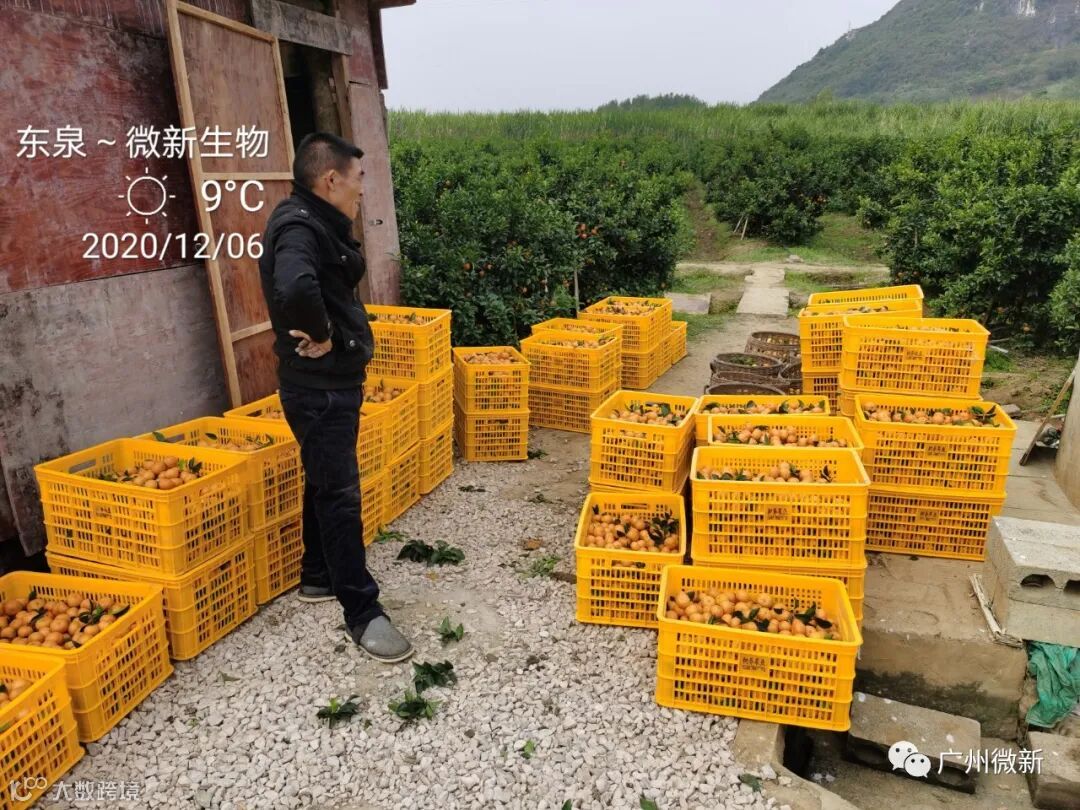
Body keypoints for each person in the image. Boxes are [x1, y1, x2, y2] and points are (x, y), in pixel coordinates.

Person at [258, 132, 413, 663]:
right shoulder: (300, 226)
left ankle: (318, 574)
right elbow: (295, 286)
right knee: (340, 495)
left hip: (322, 387)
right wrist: (325, 335)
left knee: (323, 480)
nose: (362, 189)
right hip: (319, 390)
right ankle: (363, 612)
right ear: (330, 179)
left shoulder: (311, 219)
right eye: (358, 178)